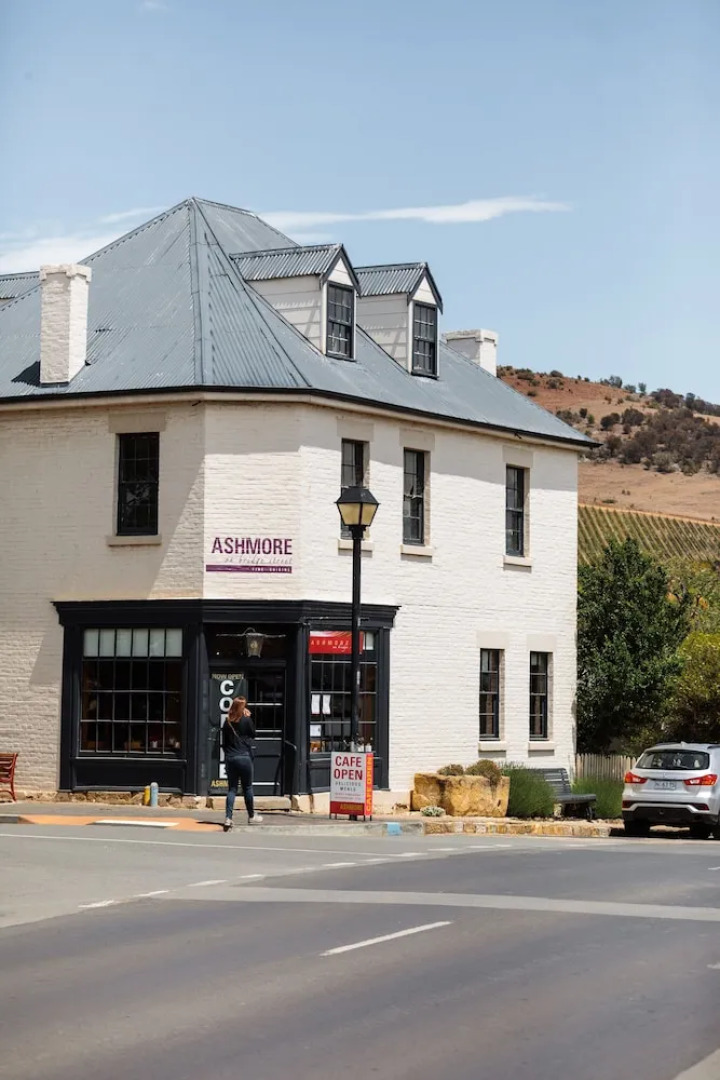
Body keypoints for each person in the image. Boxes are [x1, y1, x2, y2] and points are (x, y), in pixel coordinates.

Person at [221, 696, 263, 830]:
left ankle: (228, 818)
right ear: (242, 708)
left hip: (231, 757)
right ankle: (251, 816)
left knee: (232, 788)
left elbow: (224, 742)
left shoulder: (227, 722)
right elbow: (253, 734)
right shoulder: (246, 720)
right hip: (244, 757)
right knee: (248, 788)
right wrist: (249, 718)